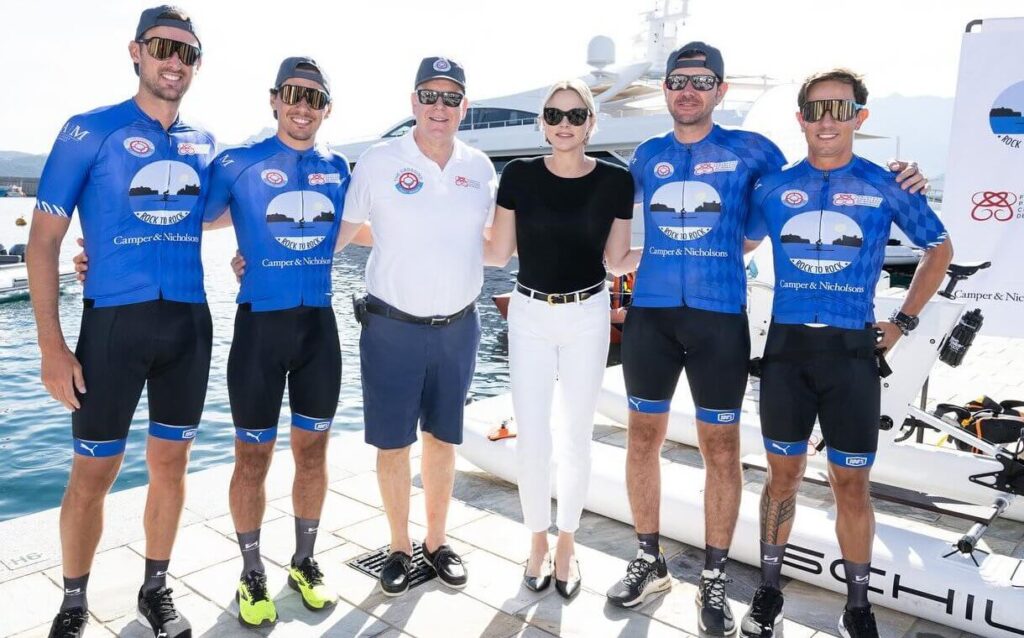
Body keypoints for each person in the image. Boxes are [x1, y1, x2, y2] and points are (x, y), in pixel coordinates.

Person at [605, 42, 927, 637]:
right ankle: (648, 559)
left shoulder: (755, 152)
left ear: (720, 90)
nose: (688, 89)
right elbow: (615, 233)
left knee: (722, 450)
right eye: (679, 79)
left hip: (721, 317)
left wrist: (901, 179)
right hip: (649, 315)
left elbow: (761, 227)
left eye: (702, 80)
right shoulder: (646, 155)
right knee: (641, 438)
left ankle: (715, 578)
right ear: (667, 88)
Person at [739, 68, 952, 638]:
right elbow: (734, 242)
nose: (826, 120)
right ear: (801, 119)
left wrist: (903, 321)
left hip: (850, 354)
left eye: (840, 108)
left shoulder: (886, 184)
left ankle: (858, 603)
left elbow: (939, 248)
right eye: (815, 109)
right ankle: (767, 588)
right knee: (782, 478)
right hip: (786, 351)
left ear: (861, 116)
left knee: (851, 483)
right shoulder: (773, 188)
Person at [27, 6, 210, 638]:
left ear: (196, 65)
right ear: (136, 51)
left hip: (189, 324)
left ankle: (154, 589)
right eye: (163, 47)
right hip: (111, 328)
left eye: (186, 52)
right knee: (92, 473)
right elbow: (43, 241)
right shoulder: (89, 130)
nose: (173, 61)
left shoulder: (203, 143)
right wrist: (51, 346)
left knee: (171, 466)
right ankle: (73, 602)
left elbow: (212, 210)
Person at [201, 57, 367, 627]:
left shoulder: (339, 167)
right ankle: (251, 571)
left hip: (319, 329)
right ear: (274, 99)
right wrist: (95, 248)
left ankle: (304, 560)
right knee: (252, 457)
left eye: (315, 98)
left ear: (327, 109)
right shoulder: (239, 162)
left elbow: (372, 224)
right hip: (259, 331)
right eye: (293, 94)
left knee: (314, 453)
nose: (303, 106)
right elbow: (179, 219)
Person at [342, 56, 497, 596]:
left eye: (450, 98)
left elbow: (495, 243)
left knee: (441, 439)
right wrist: (264, 259)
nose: (439, 107)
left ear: (464, 108)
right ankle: (399, 548)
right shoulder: (379, 161)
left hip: (458, 327)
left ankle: (436, 542)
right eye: (429, 96)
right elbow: (339, 232)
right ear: (413, 102)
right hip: (392, 327)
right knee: (392, 444)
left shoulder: (480, 167)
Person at [485, 79, 638, 599]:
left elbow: (618, 261)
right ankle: (535, 542)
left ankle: (567, 543)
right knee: (533, 438)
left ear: (591, 123)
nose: (565, 124)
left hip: (588, 314)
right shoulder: (520, 176)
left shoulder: (617, 182)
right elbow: (496, 251)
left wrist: (689, 252)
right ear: (542, 123)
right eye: (555, 115)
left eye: (576, 115)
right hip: (527, 313)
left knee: (576, 436)